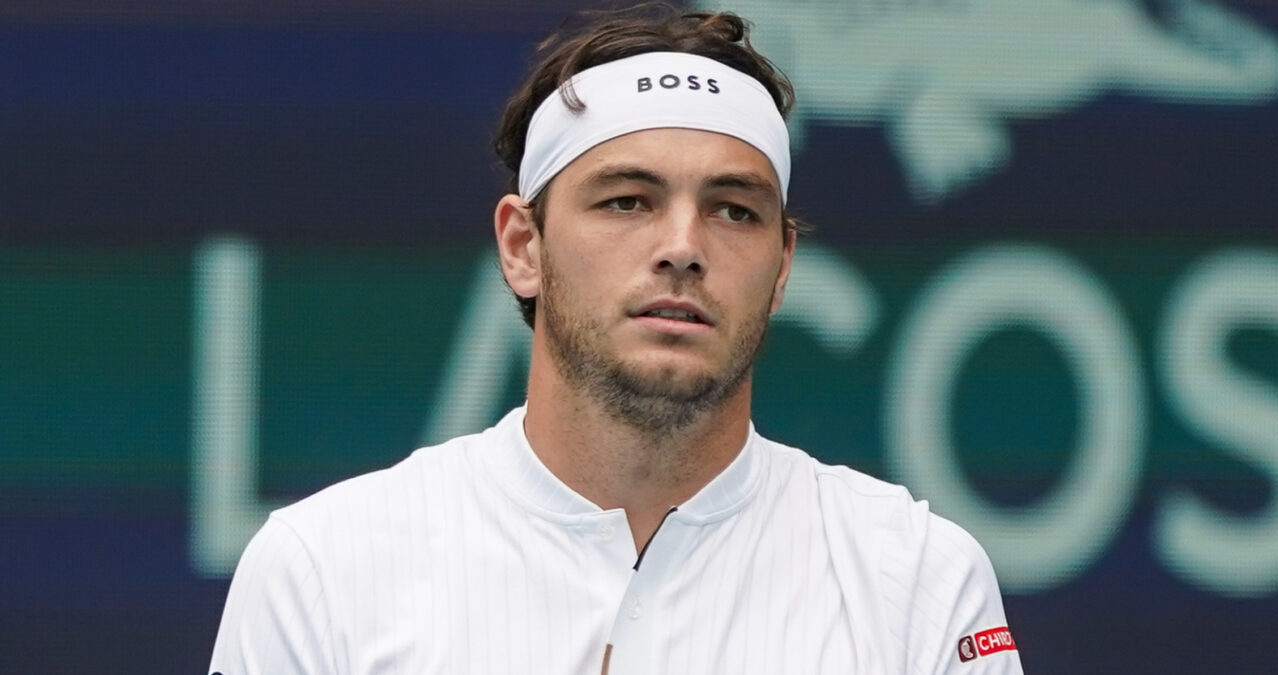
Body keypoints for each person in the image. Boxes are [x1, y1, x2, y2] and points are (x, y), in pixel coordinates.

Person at [209, 5, 1022, 674]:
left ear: (781, 268)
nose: (682, 245)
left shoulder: (918, 577)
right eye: (627, 200)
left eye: (734, 208)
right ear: (523, 247)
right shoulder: (322, 571)